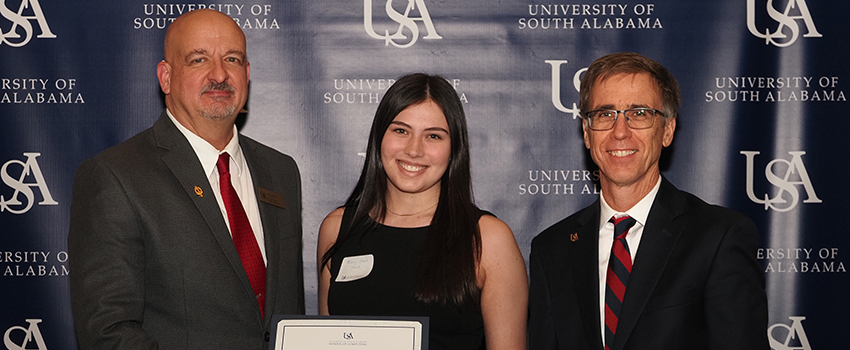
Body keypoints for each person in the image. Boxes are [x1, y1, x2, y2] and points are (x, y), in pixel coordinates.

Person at [68, 9, 304, 349]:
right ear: (165, 77)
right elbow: (108, 333)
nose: (220, 74)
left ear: (247, 74)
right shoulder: (114, 176)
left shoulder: (281, 171)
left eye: (233, 59)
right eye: (198, 60)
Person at [528, 52, 768, 350]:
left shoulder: (718, 238)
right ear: (587, 133)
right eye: (605, 114)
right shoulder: (552, 249)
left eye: (638, 113)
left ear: (667, 130)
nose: (619, 132)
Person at [317, 73, 528, 350]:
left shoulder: (488, 239)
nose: (414, 150)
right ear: (379, 137)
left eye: (433, 136)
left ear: (454, 149)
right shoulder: (337, 228)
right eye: (401, 131)